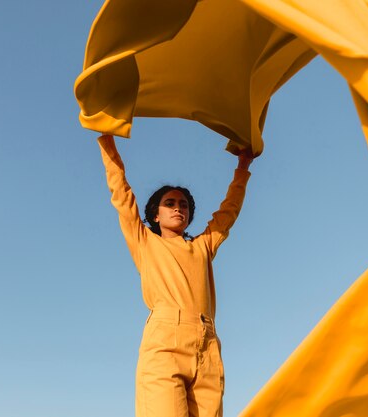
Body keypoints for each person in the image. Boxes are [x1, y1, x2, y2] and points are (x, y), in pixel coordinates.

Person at [97, 134, 253, 417]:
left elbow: (228, 213)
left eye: (183, 205)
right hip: (165, 343)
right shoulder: (145, 241)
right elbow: (121, 194)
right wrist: (107, 140)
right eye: (170, 203)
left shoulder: (203, 246)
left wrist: (243, 166)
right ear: (155, 215)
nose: (178, 208)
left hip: (207, 344)